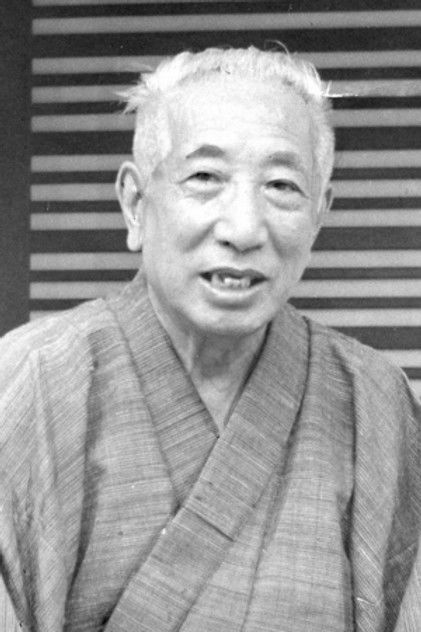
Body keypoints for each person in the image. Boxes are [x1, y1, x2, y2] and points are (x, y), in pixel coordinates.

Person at [0, 46, 420, 632]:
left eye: (282, 185)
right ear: (135, 203)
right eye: (204, 178)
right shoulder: (32, 381)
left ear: (319, 214)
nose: (244, 229)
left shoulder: (374, 401)